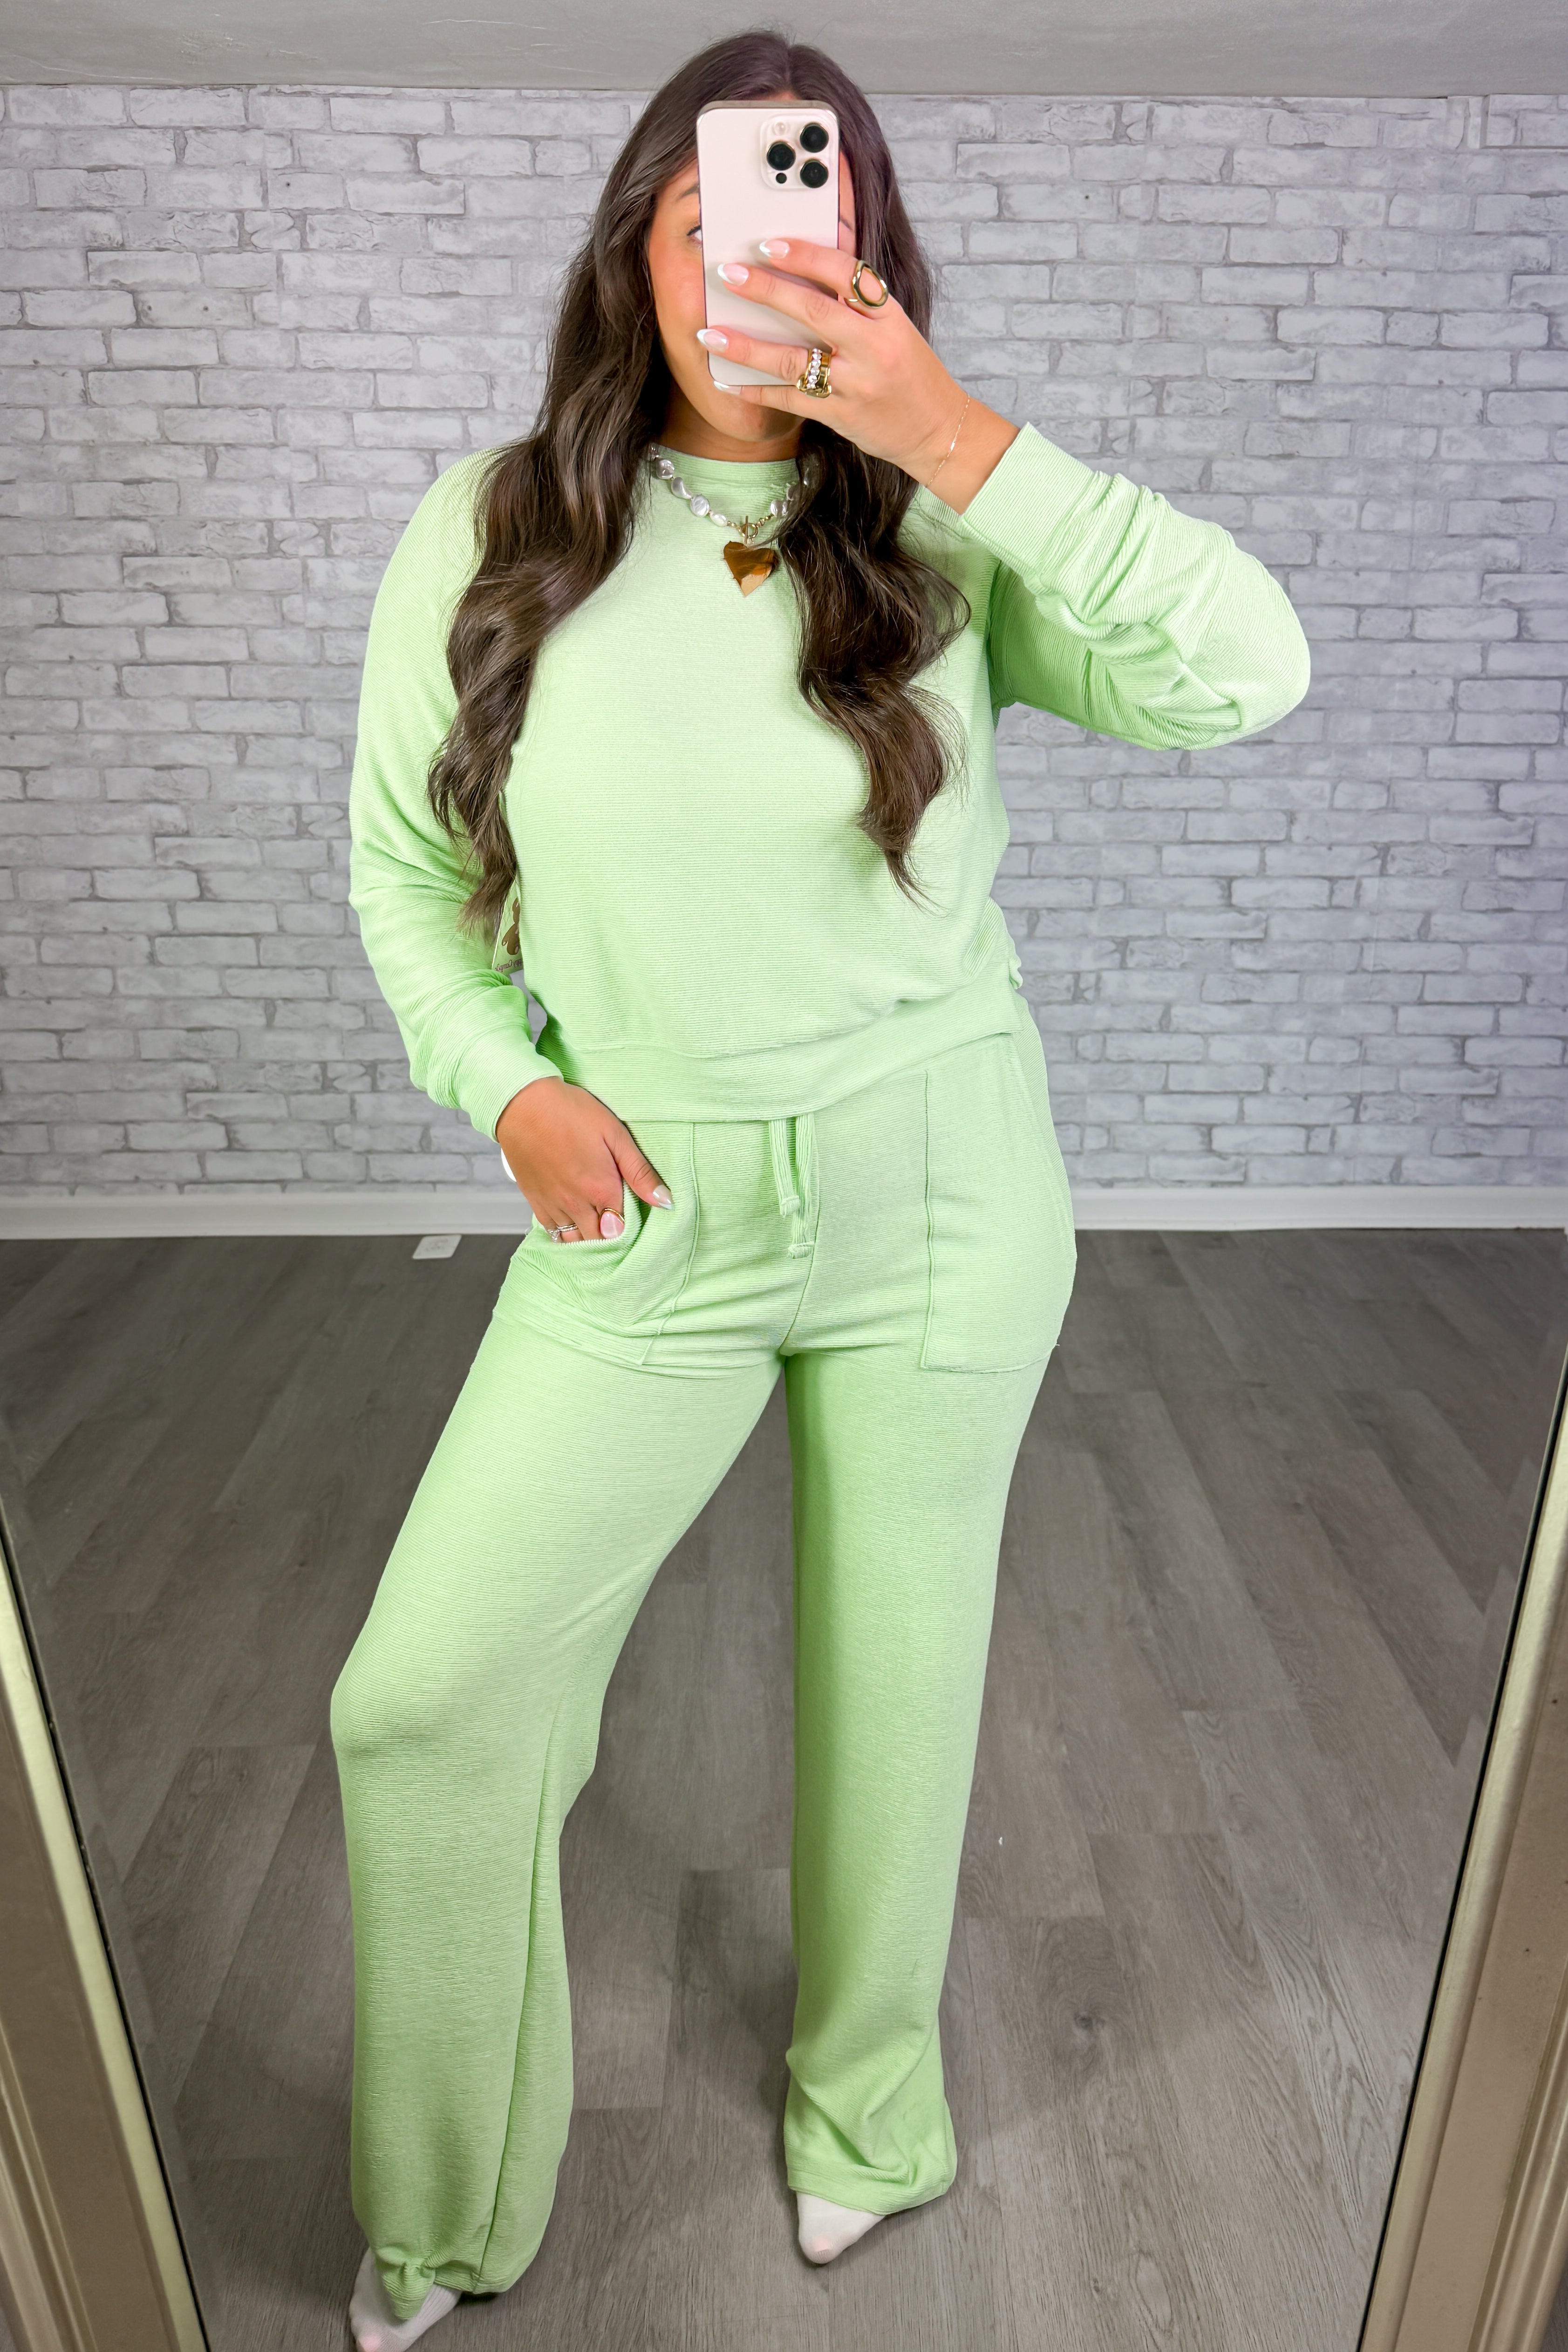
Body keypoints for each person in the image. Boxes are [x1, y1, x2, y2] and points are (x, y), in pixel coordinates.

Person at [330, 29, 1311, 2352]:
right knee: (425, 1704)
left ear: (863, 257)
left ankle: (869, 2119)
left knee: (897, 1686)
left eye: (810, 217)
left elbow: (1249, 672)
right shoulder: (491, 529)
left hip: (938, 1201)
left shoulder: (947, 533)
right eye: (714, 218)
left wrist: (952, 433)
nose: (759, 261)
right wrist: (504, 1088)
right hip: (636, 1217)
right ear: (637, 252)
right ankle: (445, 2202)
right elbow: (403, 877)